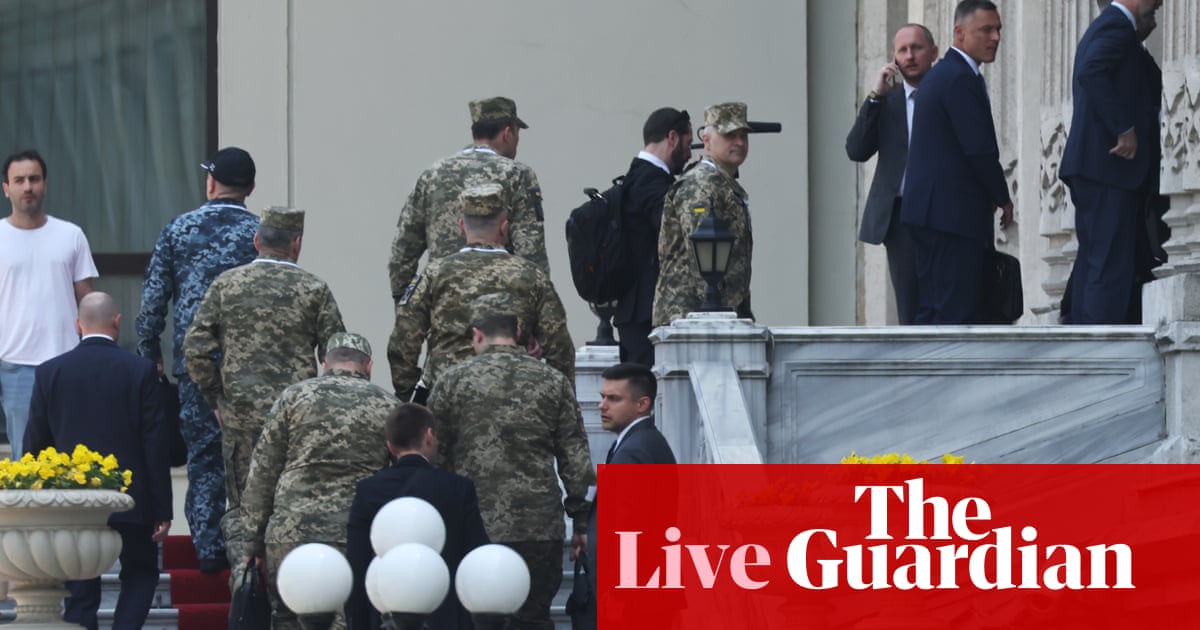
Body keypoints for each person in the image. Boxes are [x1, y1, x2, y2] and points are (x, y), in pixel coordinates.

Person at [184, 206, 345, 564]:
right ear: (296, 243)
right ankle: (289, 585)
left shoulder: (226, 284)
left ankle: (244, 582)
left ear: (257, 240)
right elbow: (337, 354)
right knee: (291, 504)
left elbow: (195, 348)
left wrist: (215, 398)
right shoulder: (314, 289)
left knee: (243, 509)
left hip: (240, 415)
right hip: (296, 417)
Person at [427, 292, 595, 630]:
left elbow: (434, 456)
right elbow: (575, 455)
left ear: (477, 333)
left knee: (474, 618)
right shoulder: (553, 381)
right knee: (532, 619)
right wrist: (580, 522)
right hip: (538, 527)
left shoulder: (451, 381)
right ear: (518, 332)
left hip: (472, 525)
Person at [135, 146, 260, 573]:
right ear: (251, 187)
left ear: (210, 183)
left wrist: (149, 353)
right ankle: (249, 548)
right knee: (252, 458)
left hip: (195, 366)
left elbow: (153, 301)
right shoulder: (261, 235)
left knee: (204, 459)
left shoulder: (180, 229)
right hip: (250, 370)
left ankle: (208, 550)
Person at [25, 292, 172, 630]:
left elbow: (35, 445)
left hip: (73, 502)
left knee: (79, 583)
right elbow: (155, 443)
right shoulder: (141, 370)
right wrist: (162, 508)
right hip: (131, 499)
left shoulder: (49, 372)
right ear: (117, 322)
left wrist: (41, 505)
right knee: (141, 573)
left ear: (78, 325)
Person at [240, 332, 397, 630]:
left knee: (288, 620)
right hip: (353, 535)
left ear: (324, 364)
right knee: (346, 619)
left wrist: (252, 544)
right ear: (369, 366)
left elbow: (262, 472)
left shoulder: (293, 397)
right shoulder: (387, 404)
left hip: (290, 532)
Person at [388, 183, 574, 403]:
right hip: (514, 396)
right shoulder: (531, 275)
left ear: (461, 227)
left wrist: (408, 392)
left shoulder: (435, 273)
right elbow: (559, 347)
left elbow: (404, 340)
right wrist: (558, 398)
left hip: (447, 396)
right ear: (504, 228)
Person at [900, 0, 1014, 324]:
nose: (995, 37)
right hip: (949, 217)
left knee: (936, 311)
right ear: (960, 33)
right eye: (986, 30)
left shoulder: (947, 74)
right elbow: (978, 148)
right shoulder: (958, 77)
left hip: (936, 215)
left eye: (998, 29)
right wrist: (1001, 196)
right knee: (952, 314)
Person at [1060, 0, 1164, 324]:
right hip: (1109, 170)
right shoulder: (1116, 25)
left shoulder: (1115, 29)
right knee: (1108, 269)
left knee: (1096, 264)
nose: (1161, 2)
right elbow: (1092, 72)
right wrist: (1123, 128)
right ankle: (1099, 347)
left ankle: (1085, 343)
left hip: (1099, 170)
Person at [388, 96, 548, 305]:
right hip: (500, 312)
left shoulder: (433, 174)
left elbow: (402, 253)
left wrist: (407, 306)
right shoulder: (518, 175)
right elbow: (532, 254)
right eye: (517, 134)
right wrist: (537, 311)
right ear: (508, 133)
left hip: (443, 307)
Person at [345, 403, 490, 630]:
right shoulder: (458, 487)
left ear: (390, 446)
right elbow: (477, 555)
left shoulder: (368, 489)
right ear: (429, 436)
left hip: (386, 613)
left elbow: (357, 562)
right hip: (447, 615)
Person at [0, 149, 98, 457]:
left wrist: (93, 355)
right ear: (6, 188)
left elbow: (88, 303)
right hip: (14, 367)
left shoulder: (71, 235)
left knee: (74, 457)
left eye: (34, 179)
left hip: (67, 362)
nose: (27, 186)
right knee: (25, 460)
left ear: (45, 184)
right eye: (19, 180)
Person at [845, 24, 940, 325]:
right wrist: (875, 95)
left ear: (933, 52)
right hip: (901, 217)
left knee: (947, 301)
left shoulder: (949, 95)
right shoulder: (887, 102)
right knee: (910, 306)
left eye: (917, 48)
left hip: (944, 212)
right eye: (903, 50)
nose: (910, 56)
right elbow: (856, 149)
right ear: (894, 57)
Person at [652, 102, 755, 327]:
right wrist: (718, 315)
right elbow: (701, 257)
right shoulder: (700, 184)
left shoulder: (722, 183)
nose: (739, 142)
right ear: (707, 141)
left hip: (715, 317)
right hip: (692, 319)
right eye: (730, 135)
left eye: (743, 135)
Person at [612, 108, 693, 366]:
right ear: (672, 138)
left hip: (637, 311)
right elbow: (670, 229)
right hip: (646, 313)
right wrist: (693, 182)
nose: (690, 154)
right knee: (647, 387)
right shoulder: (651, 181)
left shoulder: (639, 176)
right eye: (688, 143)